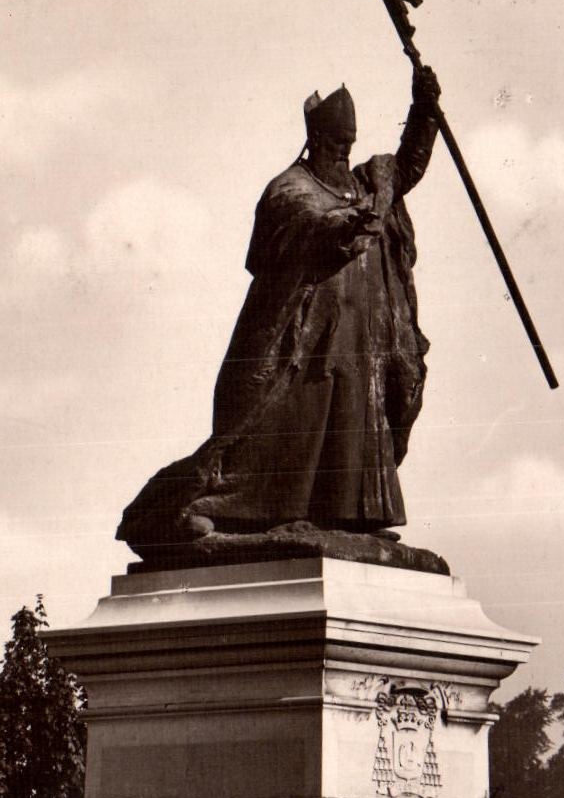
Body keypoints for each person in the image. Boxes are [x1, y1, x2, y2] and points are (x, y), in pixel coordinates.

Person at [117, 67, 442, 563]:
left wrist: (424, 110)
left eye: (349, 143)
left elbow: (409, 167)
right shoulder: (290, 187)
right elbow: (306, 223)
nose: (344, 152)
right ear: (315, 139)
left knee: (352, 422)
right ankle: (219, 509)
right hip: (302, 343)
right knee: (281, 430)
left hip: (361, 342)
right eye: (335, 143)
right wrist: (350, 221)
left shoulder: (368, 184)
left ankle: (346, 519)